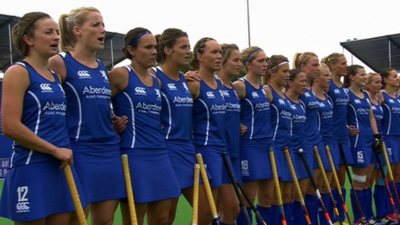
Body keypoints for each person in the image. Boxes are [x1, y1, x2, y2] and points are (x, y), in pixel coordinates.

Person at [0, 12, 84, 224]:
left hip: (61, 167)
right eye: (48, 32)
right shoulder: (18, 72)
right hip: (32, 166)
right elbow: (10, 127)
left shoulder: (56, 77)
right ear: (28, 39)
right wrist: (54, 150)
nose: (56, 37)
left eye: (57, 32)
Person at [48, 7, 126, 225]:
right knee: (77, 220)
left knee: (105, 221)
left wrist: (112, 123)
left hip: (109, 150)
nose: (103, 29)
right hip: (79, 151)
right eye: (96, 25)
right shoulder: (59, 62)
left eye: (102, 24)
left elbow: (96, 106)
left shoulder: (102, 67)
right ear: (77, 30)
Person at [108, 27, 181, 225]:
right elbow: (96, 104)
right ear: (131, 50)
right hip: (134, 154)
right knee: (134, 220)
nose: (153, 52)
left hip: (160, 153)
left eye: (155, 47)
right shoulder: (120, 74)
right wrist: (111, 123)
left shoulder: (156, 81)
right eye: (148, 47)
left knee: (164, 218)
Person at [151, 28, 211, 225]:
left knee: (206, 212)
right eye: (183, 47)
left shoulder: (188, 81)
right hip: (166, 150)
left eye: (189, 47)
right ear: (167, 50)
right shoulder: (154, 77)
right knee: (164, 218)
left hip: (188, 149)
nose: (189, 51)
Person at [186, 37, 227, 224]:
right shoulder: (193, 83)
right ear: (200, 57)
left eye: (220, 52)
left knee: (216, 207)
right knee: (208, 210)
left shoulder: (220, 84)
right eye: (214, 52)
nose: (219, 56)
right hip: (204, 148)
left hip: (221, 149)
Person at [233, 46, 275, 225]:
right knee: (247, 199)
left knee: (267, 198)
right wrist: (235, 125)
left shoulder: (265, 90)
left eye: (266, 60)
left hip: (267, 146)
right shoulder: (240, 86)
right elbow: (224, 108)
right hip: (249, 147)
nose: (265, 64)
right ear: (248, 64)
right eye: (260, 61)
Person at [321, 53, 356, 223]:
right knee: (331, 182)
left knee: (341, 180)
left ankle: (340, 217)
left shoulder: (343, 88)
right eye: (343, 63)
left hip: (343, 138)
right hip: (331, 138)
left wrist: (348, 127)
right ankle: (329, 216)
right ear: (333, 66)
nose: (346, 66)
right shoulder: (328, 87)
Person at [344, 64, 380, 224]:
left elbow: (371, 117)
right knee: (359, 182)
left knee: (367, 183)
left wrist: (376, 136)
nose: (364, 77)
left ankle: (368, 216)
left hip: (369, 141)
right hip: (358, 142)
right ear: (352, 77)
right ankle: (359, 219)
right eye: (361, 74)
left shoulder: (365, 94)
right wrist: (346, 128)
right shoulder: (347, 94)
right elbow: (339, 116)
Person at [215, 43, 246, 225]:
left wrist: (240, 126)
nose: (239, 64)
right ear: (223, 61)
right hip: (219, 153)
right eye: (235, 60)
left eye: (240, 60)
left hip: (234, 152)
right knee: (230, 208)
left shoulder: (234, 89)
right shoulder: (213, 86)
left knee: (228, 210)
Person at [262, 55, 293, 225]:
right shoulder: (267, 91)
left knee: (286, 196)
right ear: (273, 72)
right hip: (274, 148)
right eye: (285, 71)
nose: (288, 74)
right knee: (273, 197)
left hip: (287, 149)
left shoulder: (284, 94)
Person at [293, 52, 321, 225]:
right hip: (302, 144)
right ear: (303, 67)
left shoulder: (311, 90)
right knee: (301, 191)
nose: (317, 69)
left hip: (315, 143)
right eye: (314, 65)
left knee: (313, 188)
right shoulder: (299, 90)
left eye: (319, 65)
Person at [312, 63, 334, 225]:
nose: (329, 79)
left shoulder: (327, 97)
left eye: (329, 75)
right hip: (316, 146)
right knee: (316, 188)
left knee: (328, 188)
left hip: (330, 145)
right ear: (317, 77)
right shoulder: (310, 96)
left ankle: (327, 222)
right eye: (326, 75)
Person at [285, 68, 308, 225]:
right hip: (289, 151)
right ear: (290, 82)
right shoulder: (284, 101)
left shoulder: (301, 103)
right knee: (290, 194)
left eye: (306, 81)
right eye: (301, 81)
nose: (305, 84)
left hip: (302, 151)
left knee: (302, 192)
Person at [365, 72, 389, 223]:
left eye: (380, 83)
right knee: (367, 181)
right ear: (367, 84)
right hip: (368, 142)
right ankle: (367, 216)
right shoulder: (365, 98)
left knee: (381, 178)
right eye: (376, 83)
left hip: (381, 142)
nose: (380, 85)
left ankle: (381, 214)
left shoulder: (379, 99)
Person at [378, 68, 400, 222]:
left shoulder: (398, 97)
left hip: (399, 139)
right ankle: (385, 210)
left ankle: (396, 209)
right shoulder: (382, 96)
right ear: (385, 80)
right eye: (394, 76)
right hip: (389, 138)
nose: (397, 78)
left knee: (398, 176)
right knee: (388, 176)